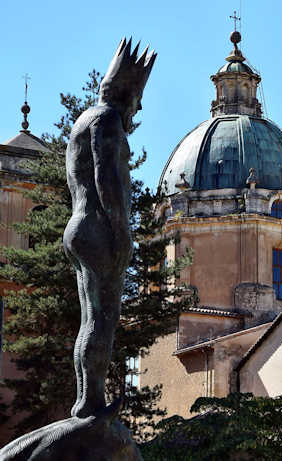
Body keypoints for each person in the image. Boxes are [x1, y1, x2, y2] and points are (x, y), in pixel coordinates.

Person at [63, 38, 155, 418]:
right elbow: (107, 178)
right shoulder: (107, 119)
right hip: (100, 229)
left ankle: (86, 398)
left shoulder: (85, 119)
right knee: (103, 319)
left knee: (91, 317)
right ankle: (90, 401)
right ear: (126, 91)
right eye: (137, 97)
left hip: (79, 226)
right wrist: (123, 232)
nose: (139, 107)